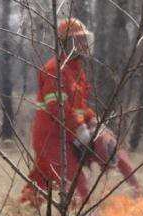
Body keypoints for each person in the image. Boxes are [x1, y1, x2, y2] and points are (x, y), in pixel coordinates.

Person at [20, 18, 96, 206]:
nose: (81, 45)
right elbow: (57, 108)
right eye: (76, 41)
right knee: (78, 183)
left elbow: (79, 106)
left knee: (39, 184)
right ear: (65, 43)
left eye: (83, 40)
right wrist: (79, 129)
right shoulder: (55, 69)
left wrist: (92, 120)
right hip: (51, 138)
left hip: (64, 136)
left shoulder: (77, 71)